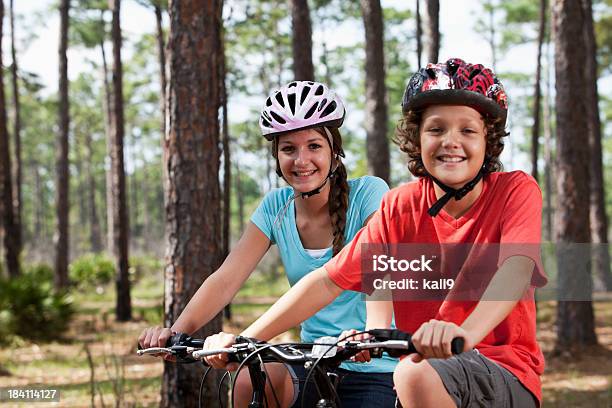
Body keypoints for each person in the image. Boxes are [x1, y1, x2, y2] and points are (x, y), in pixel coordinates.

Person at [202, 59, 547, 408]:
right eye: (436, 129)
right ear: (417, 138)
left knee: (414, 373)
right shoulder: (400, 206)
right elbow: (327, 281)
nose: (451, 142)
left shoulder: (515, 190)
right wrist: (245, 341)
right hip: (422, 372)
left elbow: (515, 269)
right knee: (412, 373)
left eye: (468, 131)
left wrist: (465, 333)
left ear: (488, 139)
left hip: (501, 370)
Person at [139, 81, 397, 407]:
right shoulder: (276, 207)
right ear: (277, 157)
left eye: (314, 146)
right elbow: (226, 278)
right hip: (312, 362)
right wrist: (174, 333)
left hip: (375, 368)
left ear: (335, 151)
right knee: (249, 379)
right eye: (289, 149)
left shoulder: (369, 193)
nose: (301, 160)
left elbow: (381, 266)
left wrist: (373, 333)